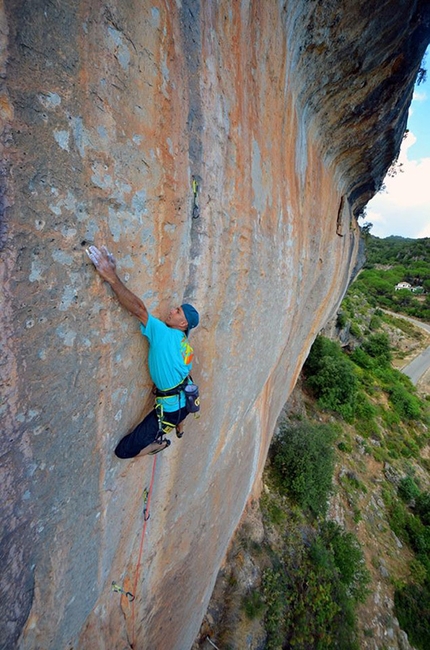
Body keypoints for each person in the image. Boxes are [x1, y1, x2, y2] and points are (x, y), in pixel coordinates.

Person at [86, 245, 199, 458]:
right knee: (185, 380)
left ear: (182, 322)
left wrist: (112, 277)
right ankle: (180, 427)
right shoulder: (186, 345)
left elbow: (138, 309)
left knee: (124, 451)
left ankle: (158, 445)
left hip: (170, 412)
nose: (173, 310)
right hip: (184, 403)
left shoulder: (164, 334)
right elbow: (186, 376)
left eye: (177, 311)